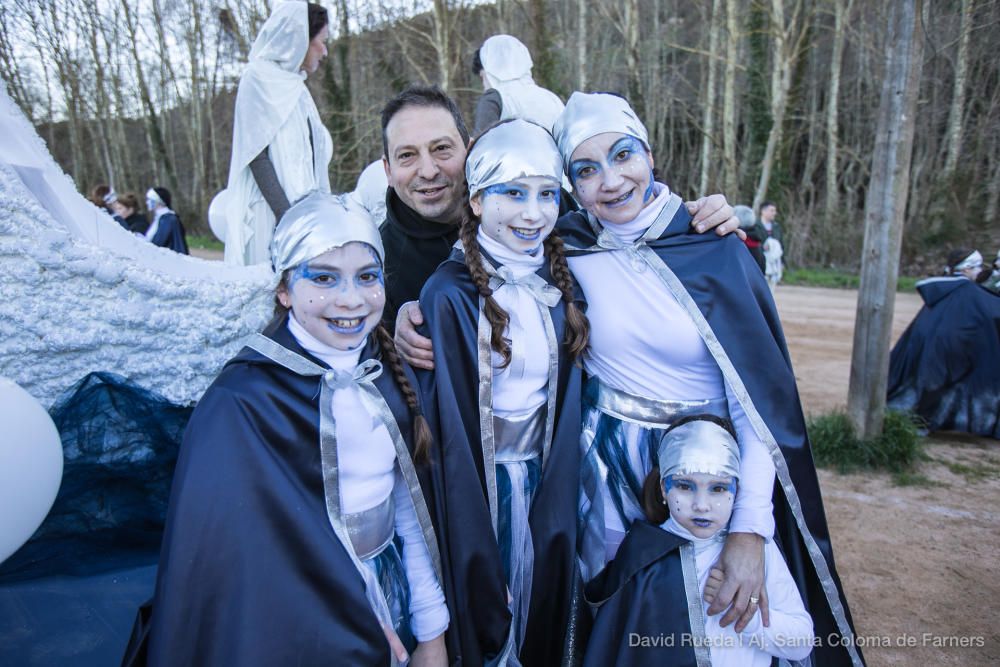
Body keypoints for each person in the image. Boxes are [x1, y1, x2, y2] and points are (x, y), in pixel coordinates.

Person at [395, 92, 862, 666]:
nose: (611, 182)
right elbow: (481, 251)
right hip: (598, 475)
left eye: (623, 156)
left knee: (716, 624)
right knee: (609, 620)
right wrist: (407, 314)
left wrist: (749, 530)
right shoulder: (563, 243)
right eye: (586, 171)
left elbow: (757, 407)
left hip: (701, 474)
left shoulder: (711, 245)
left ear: (649, 153)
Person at [127, 193, 449, 665]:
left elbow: (407, 505)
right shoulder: (243, 402)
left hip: (390, 585)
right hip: (296, 619)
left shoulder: (384, 373)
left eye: (367, 277)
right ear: (284, 290)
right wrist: (350, 615)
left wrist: (432, 627)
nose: (351, 299)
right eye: (323, 278)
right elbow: (241, 555)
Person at [416, 119, 587, 665]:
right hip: (481, 486)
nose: (532, 213)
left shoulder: (562, 285)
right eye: (513, 194)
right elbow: (446, 421)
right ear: (476, 199)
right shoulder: (448, 293)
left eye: (546, 194)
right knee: (489, 613)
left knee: (543, 612)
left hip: (547, 477)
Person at [380, 85, 740, 332]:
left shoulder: (553, 215)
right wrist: (392, 336)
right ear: (388, 169)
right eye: (407, 155)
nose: (428, 170)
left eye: (442, 148)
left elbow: (625, 220)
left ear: (472, 150)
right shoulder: (378, 260)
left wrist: (687, 219)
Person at [584, 414, 814, 667]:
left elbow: (802, 642)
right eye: (685, 486)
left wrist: (746, 615)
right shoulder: (642, 555)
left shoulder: (759, 554)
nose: (702, 505)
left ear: (738, 489)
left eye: (718, 488)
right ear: (663, 488)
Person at [222, 1, 333, 266]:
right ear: (300, 38)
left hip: (305, 217)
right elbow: (256, 156)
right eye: (322, 41)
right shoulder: (257, 78)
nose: (325, 51)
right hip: (271, 216)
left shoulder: (298, 88)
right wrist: (287, 219)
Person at [887, 248, 1000, 439]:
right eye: (979, 266)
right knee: (937, 387)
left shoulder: (946, 289)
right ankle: (921, 424)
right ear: (965, 269)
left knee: (930, 387)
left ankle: (920, 422)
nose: (983, 270)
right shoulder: (967, 291)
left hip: (934, 347)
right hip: (952, 348)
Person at [471, 35, 564, 135]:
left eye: (483, 77)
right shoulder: (552, 99)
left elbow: (482, 147)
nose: (484, 86)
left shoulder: (494, 99)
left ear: (490, 71)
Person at [144, 187, 188, 254]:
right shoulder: (161, 218)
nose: (147, 202)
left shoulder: (168, 220)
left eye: (149, 200)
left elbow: (159, 242)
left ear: (158, 201)